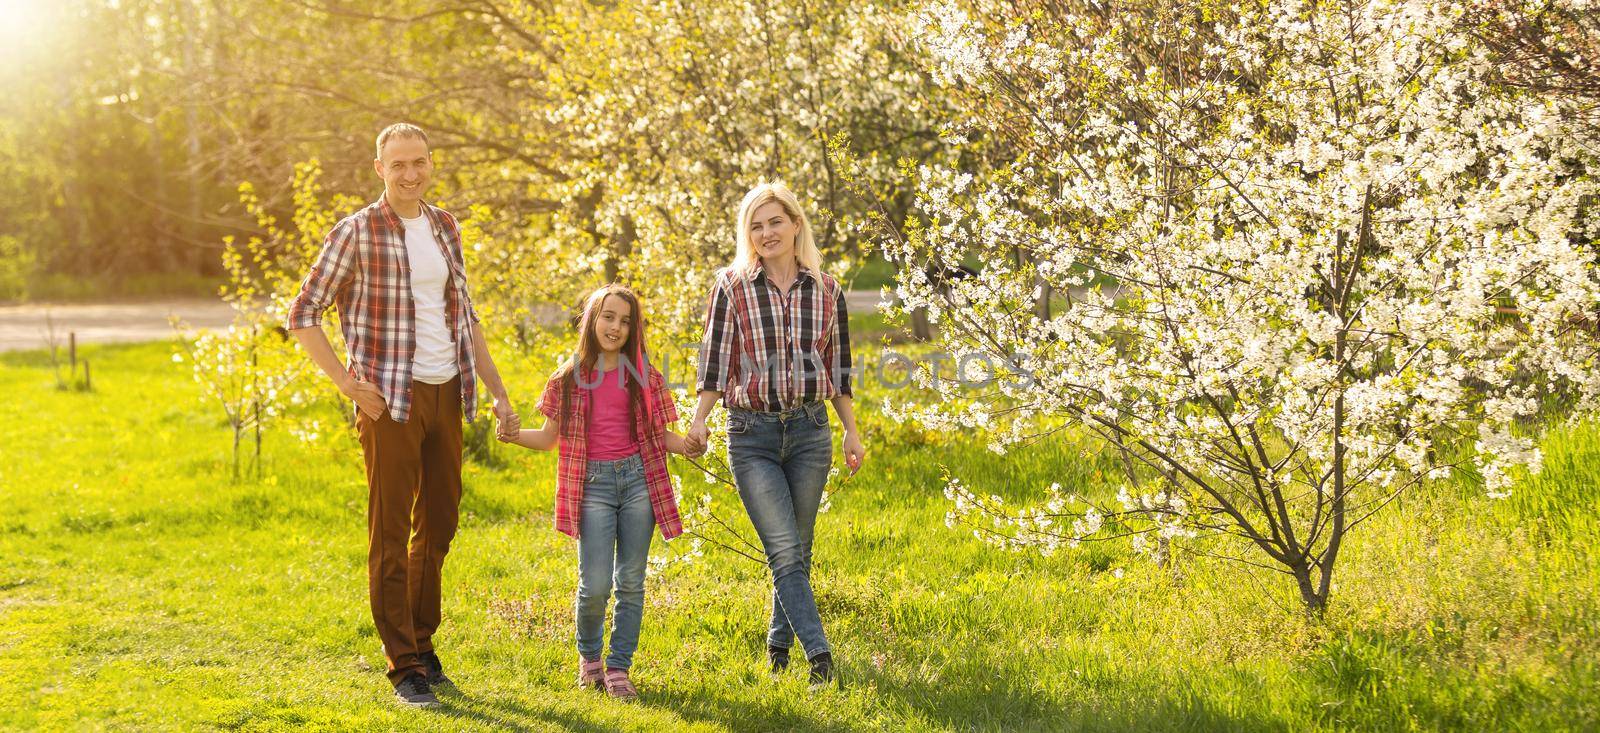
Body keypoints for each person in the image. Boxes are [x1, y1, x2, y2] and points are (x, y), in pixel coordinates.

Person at [286, 123, 519, 708]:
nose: (410, 174)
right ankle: (403, 664)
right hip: (390, 399)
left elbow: (466, 317)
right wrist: (348, 384)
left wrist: (496, 390)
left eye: (419, 163)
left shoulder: (445, 227)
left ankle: (421, 638)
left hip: (446, 392)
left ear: (431, 164)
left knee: (438, 524)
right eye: (398, 165)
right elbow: (303, 312)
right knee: (390, 532)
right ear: (379, 168)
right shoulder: (357, 232)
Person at [684, 181, 866, 690]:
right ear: (749, 234)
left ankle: (777, 648)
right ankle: (821, 657)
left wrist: (852, 432)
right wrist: (699, 419)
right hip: (752, 434)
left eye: (775, 222)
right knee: (784, 549)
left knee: (798, 549)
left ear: (795, 225)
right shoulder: (732, 285)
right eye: (756, 226)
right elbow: (715, 361)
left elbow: (839, 370)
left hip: (811, 431)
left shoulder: (827, 290)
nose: (766, 233)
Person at [501, 284, 704, 700]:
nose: (616, 327)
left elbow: (663, 436)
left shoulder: (646, 376)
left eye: (625, 321)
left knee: (630, 581)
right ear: (592, 320)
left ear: (634, 329)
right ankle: (590, 658)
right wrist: (511, 434)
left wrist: (690, 444)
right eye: (608, 317)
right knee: (594, 584)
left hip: (638, 483)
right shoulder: (568, 377)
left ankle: (618, 667)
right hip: (592, 485)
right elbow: (546, 439)